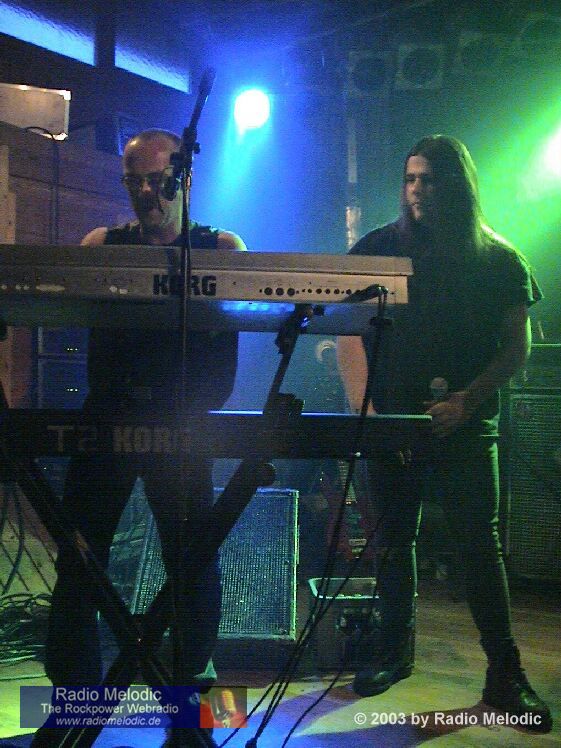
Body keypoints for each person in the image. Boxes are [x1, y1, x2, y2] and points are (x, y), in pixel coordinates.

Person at [34, 129, 246, 747]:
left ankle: (190, 713)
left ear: (184, 179)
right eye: (135, 182)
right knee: (80, 554)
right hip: (109, 419)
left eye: (157, 181)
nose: (147, 193)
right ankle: (74, 706)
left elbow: (228, 358)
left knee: (194, 559)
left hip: (183, 423)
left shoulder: (220, 247)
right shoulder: (103, 245)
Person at [336, 135, 552, 733]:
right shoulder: (378, 249)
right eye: (410, 179)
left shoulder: (498, 258)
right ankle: (393, 650)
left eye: (429, 179)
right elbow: (347, 332)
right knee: (393, 540)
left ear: (456, 185)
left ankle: (504, 673)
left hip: (465, 425)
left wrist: (468, 400)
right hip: (392, 425)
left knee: (479, 544)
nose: (417, 190)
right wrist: (367, 412)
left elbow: (516, 348)